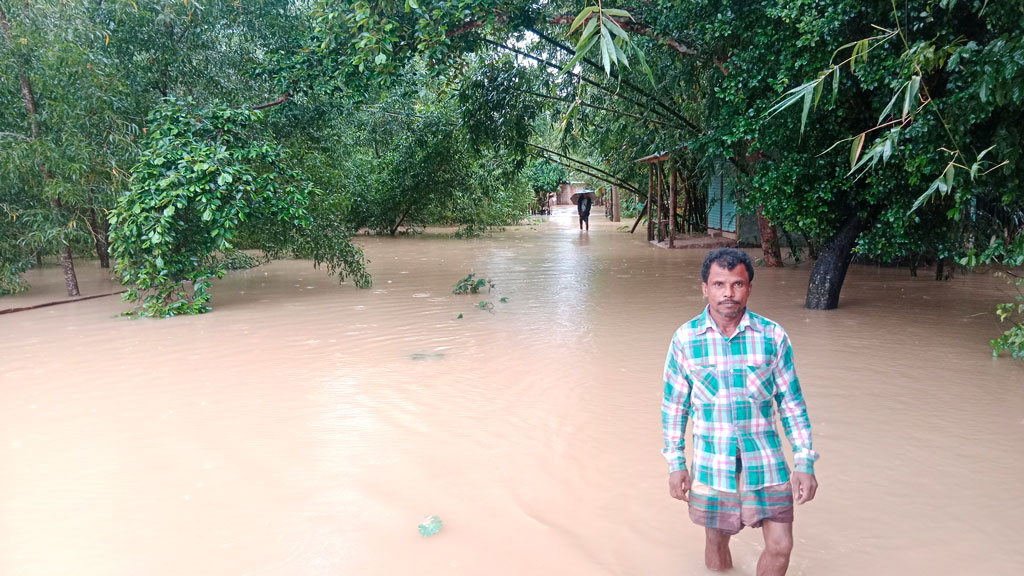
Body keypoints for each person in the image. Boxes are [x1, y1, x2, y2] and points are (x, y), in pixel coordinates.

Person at [661, 248, 818, 576]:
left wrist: (804, 461)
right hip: (712, 462)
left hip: (767, 462)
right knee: (717, 543)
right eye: (719, 284)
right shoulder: (685, 340)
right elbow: (675, 409)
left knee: (781, 546)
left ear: (750, 288)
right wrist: (676, 464)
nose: (728, 294)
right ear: (705, 288)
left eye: (737, 284)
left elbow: (791, 404)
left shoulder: (772, 336)